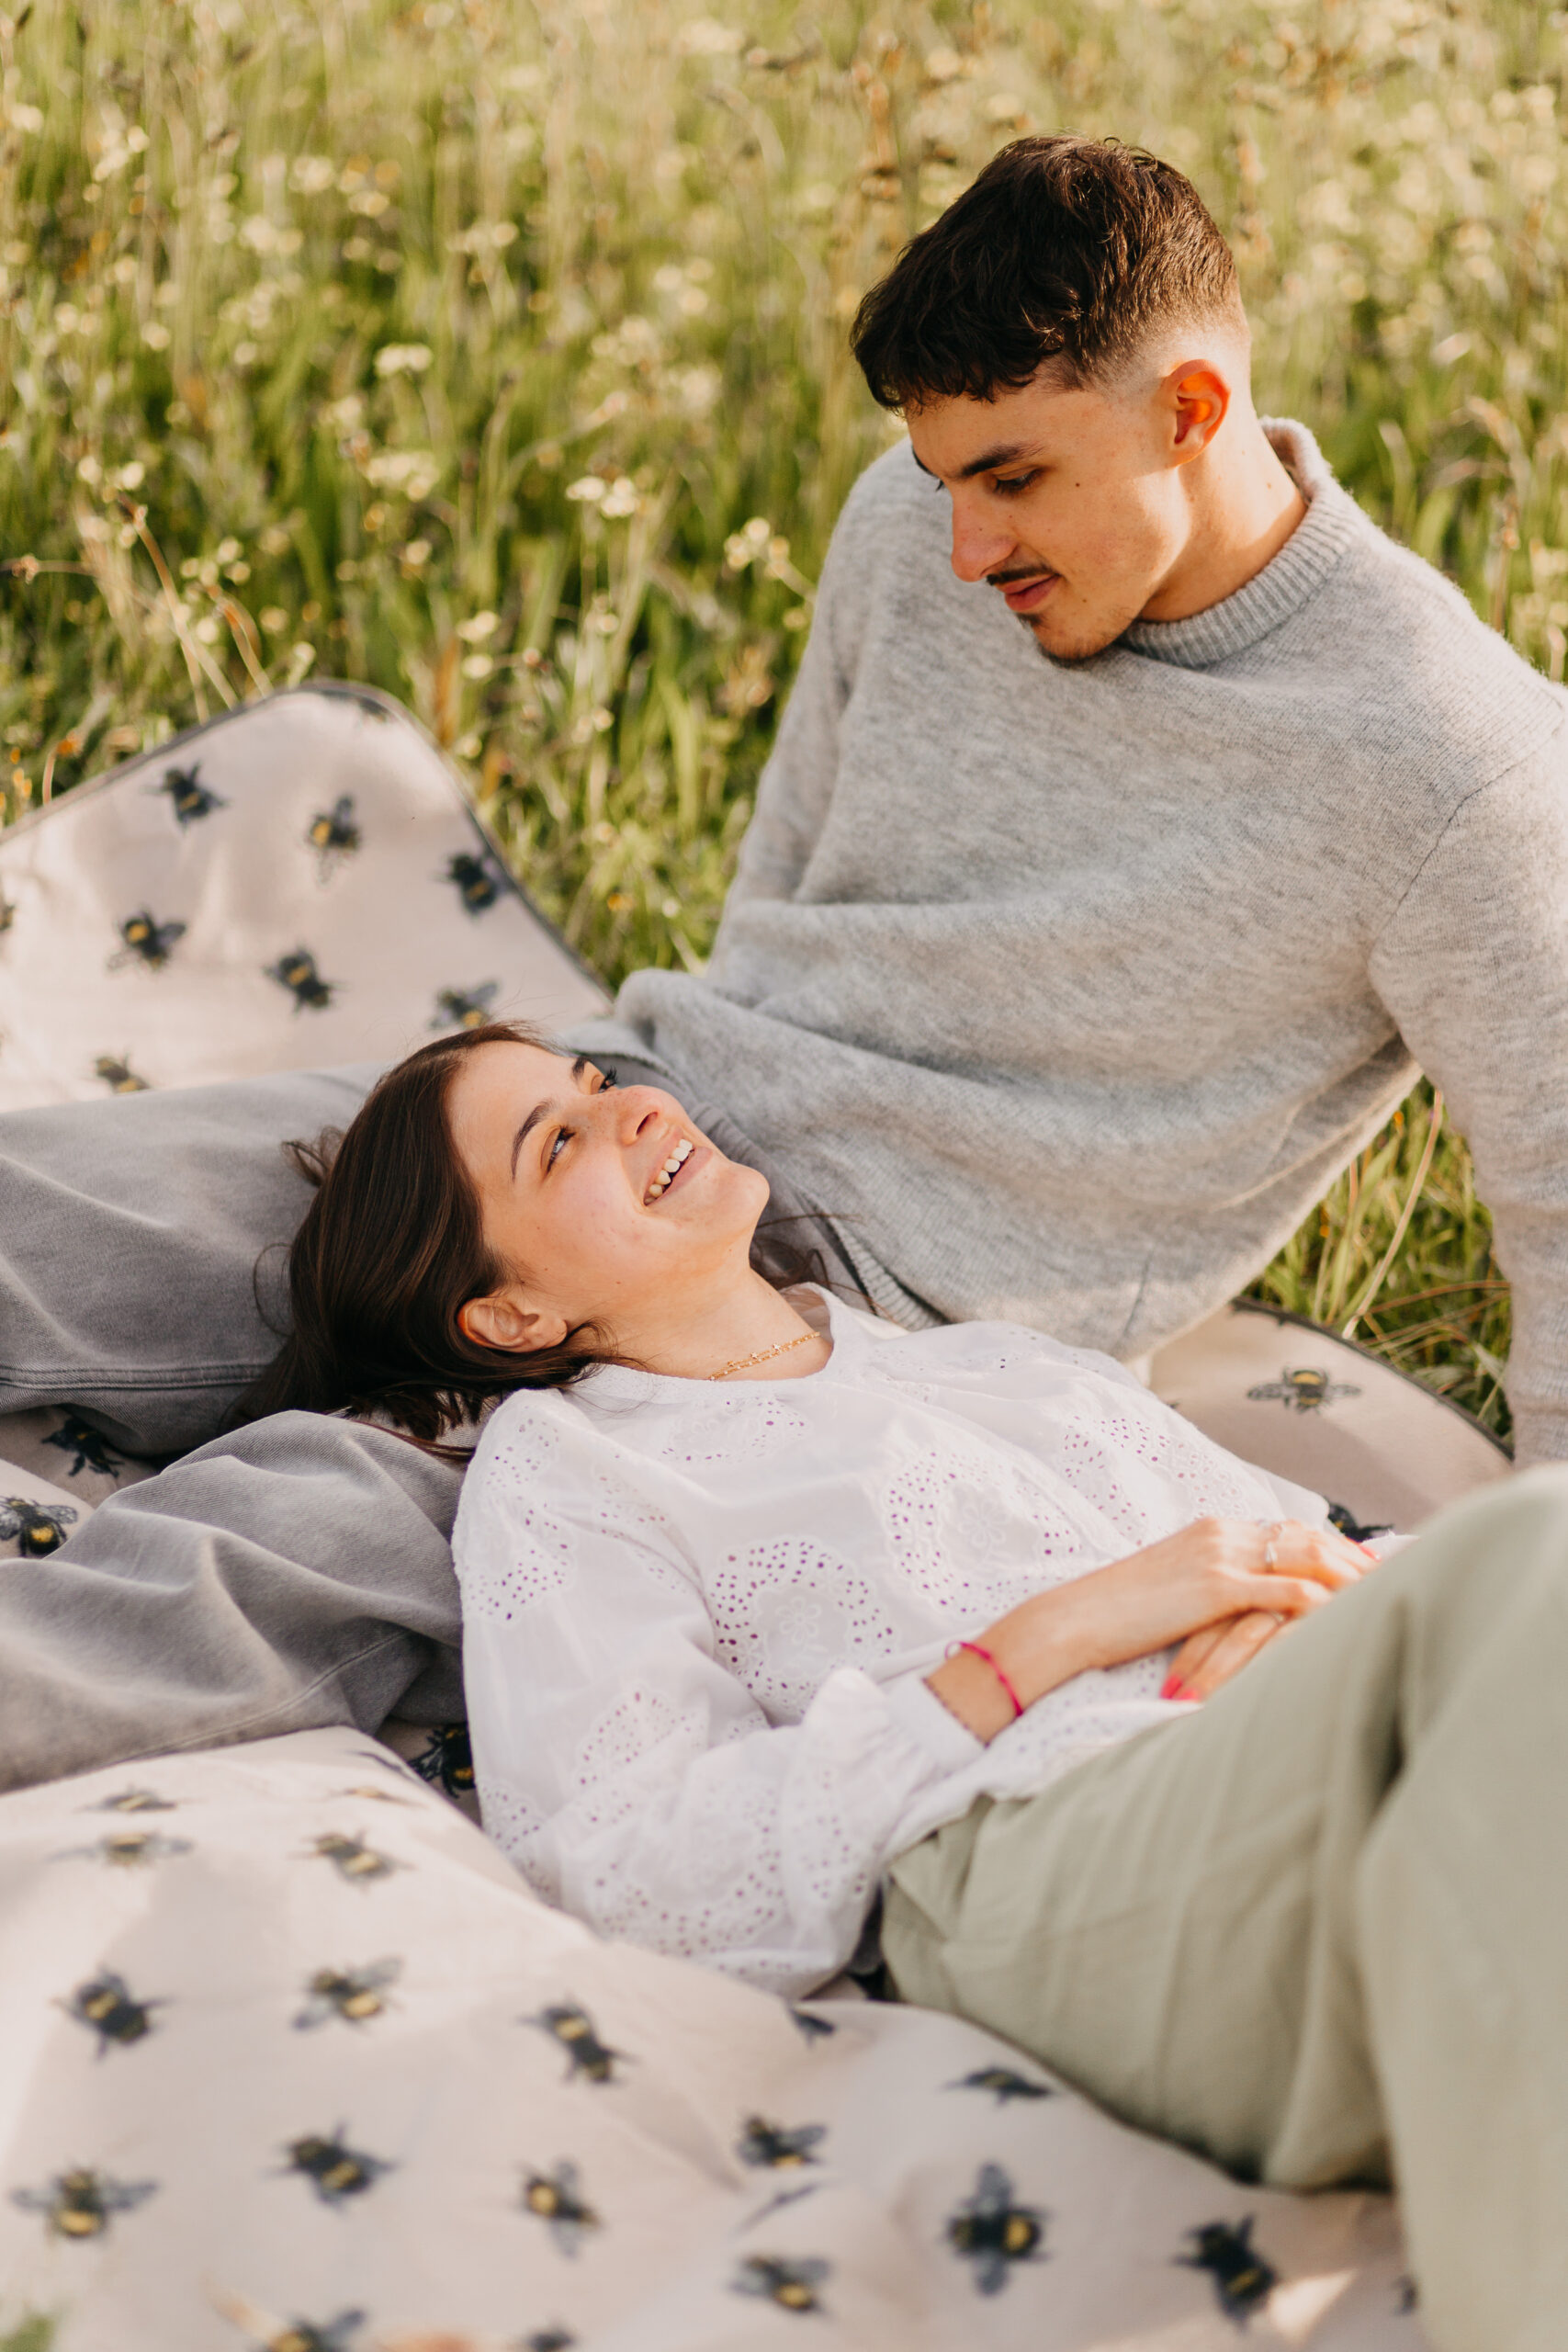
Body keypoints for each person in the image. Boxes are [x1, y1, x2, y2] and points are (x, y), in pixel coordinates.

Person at [4, 130, 1565, 1784]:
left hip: (876, 1321)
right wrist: (608, 1136)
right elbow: (781, 901)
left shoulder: (1461, 772)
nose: (966, 547)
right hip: (654, 1109)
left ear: (1190, 409)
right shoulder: (912, 524)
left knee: (290, 1535)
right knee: (67, 1203)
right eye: (943, 477)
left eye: (1016, 479)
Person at [244, 1021, 1568, 2352]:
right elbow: (633, 1871)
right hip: (1038, 1847)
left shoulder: (994, 1364)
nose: (632, 1110)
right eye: (558, 1143)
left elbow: (1334, 1556)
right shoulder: (572, 1471)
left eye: (599, 1084)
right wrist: (1042, 1644)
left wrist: (1306, 1602)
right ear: (512, 1313)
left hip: (1299, 1747)